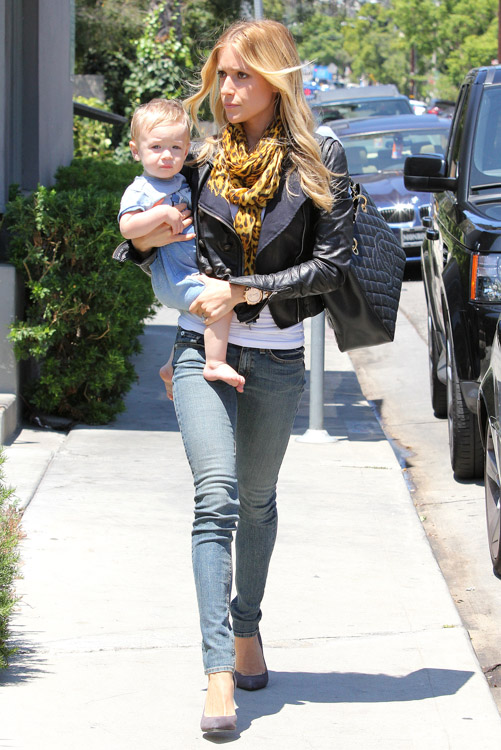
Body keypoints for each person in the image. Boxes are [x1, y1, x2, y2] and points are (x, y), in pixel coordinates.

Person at [114, 19, 353, 734]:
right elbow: (150, 240)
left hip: (275, 353)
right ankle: (217, 670)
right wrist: (137, 238)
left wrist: (246, 290)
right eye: (221, 75)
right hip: (199, 351)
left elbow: (332, 264)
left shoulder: (319, 156)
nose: (226, 89)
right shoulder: (200, 158)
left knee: (256, 501)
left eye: (242, 75)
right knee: (214, 499)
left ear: (276, 79)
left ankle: (246, 625)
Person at [118, 98, 245, 395]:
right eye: (156, 147)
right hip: (174, 276)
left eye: (176, 148)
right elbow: (127, 228)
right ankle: (214, 362)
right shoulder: (141, 189)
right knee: (219, 306)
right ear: (136, 151)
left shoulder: (179, 181)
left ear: (186, 151)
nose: (167, 156)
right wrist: (161, 214)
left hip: (188, 271)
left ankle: (172, 364)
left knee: (203, 311)